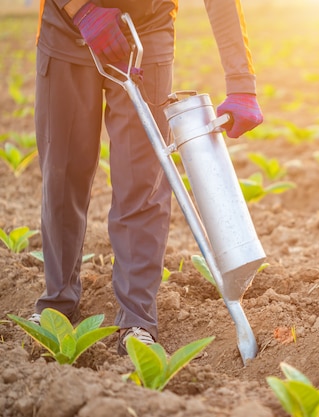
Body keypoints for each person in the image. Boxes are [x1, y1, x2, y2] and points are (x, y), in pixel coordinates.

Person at [29, 0, 263, 355]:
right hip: (67, 31)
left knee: (142, 180)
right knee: (64, 173)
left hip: (146, 29)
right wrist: (80, 9)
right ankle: (57, 305)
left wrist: (242, 82)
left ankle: (137, 320)